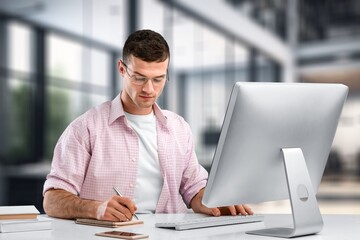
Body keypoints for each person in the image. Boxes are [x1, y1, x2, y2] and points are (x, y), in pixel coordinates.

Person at [43, 29, 253, 221]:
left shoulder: (179, 128)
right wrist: (96, 209)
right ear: (122, 69)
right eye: (139, 78)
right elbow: (52, 199)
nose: (149, 89)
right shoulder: (86, 128)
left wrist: (216, 202)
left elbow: (194, 188)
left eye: (158, 79)